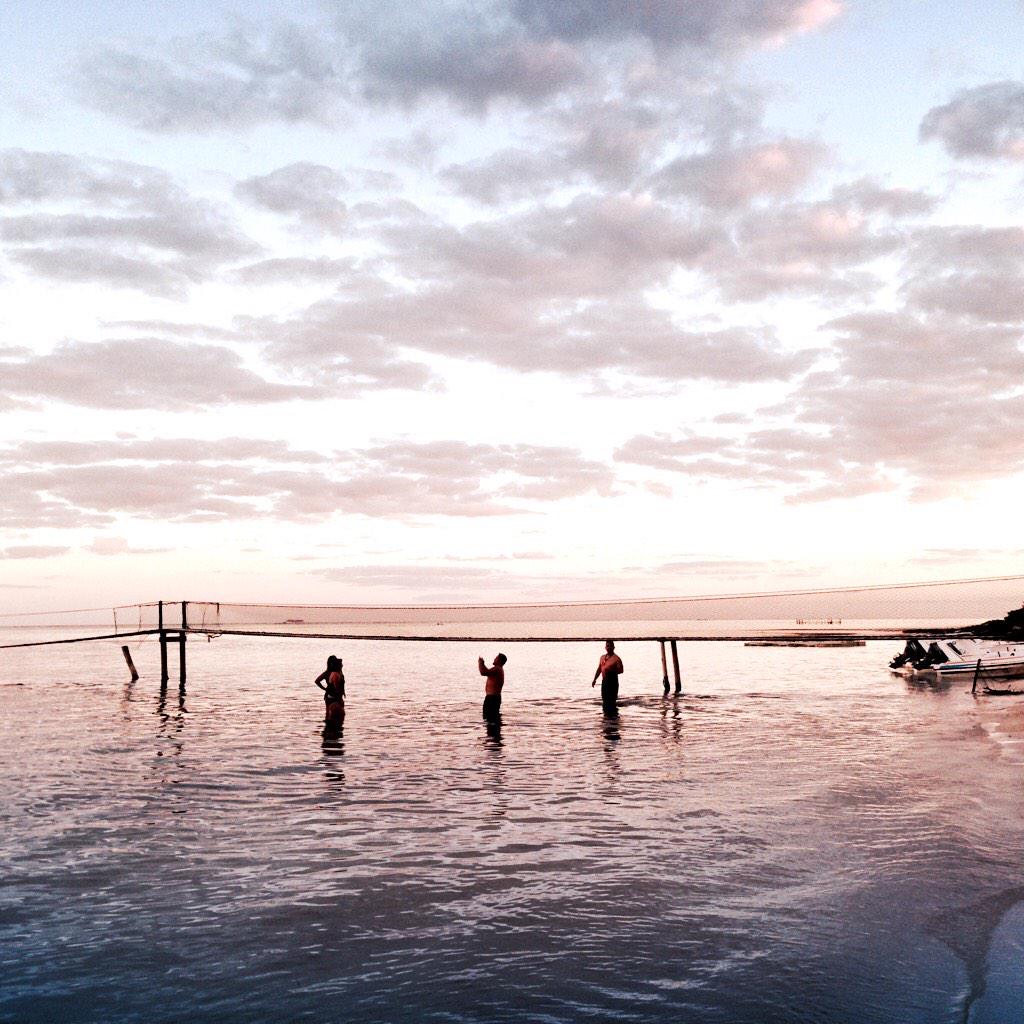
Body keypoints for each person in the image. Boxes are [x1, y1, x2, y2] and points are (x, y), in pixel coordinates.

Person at [592, 640, 623, 716]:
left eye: (610, 646)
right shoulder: (602, 657)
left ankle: (613, 719)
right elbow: (599, 669)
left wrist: (612, 671)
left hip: (613, 682)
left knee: (611, 702)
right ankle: (606, 719)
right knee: (605, 701)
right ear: (605, 647)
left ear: (613, 647)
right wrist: (594, 679)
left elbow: (621, 670)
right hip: (604, 682)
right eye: (607, 646)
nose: (609, 647)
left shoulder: (616, 659)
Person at [314, 654, 346, 722]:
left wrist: (343, 693)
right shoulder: (328, 673)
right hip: (331, 696)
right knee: (330, 714)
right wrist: (325, 689)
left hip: (334, 695)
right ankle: (329, 728)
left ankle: (329, 727)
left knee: (330, 714)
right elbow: (317, 681)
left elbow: (341, 685)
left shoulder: (339, 672)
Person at [478, 653, 507, 721]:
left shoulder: (497, 669)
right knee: (490, 718)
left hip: (492, 699)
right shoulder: (497, 669)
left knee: (490, 718)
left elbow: (483, 672)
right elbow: (486, 671)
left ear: (499, 660)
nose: (494, 659)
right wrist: (483, 664)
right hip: (493, 698)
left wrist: (480, 662)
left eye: (496, 658)